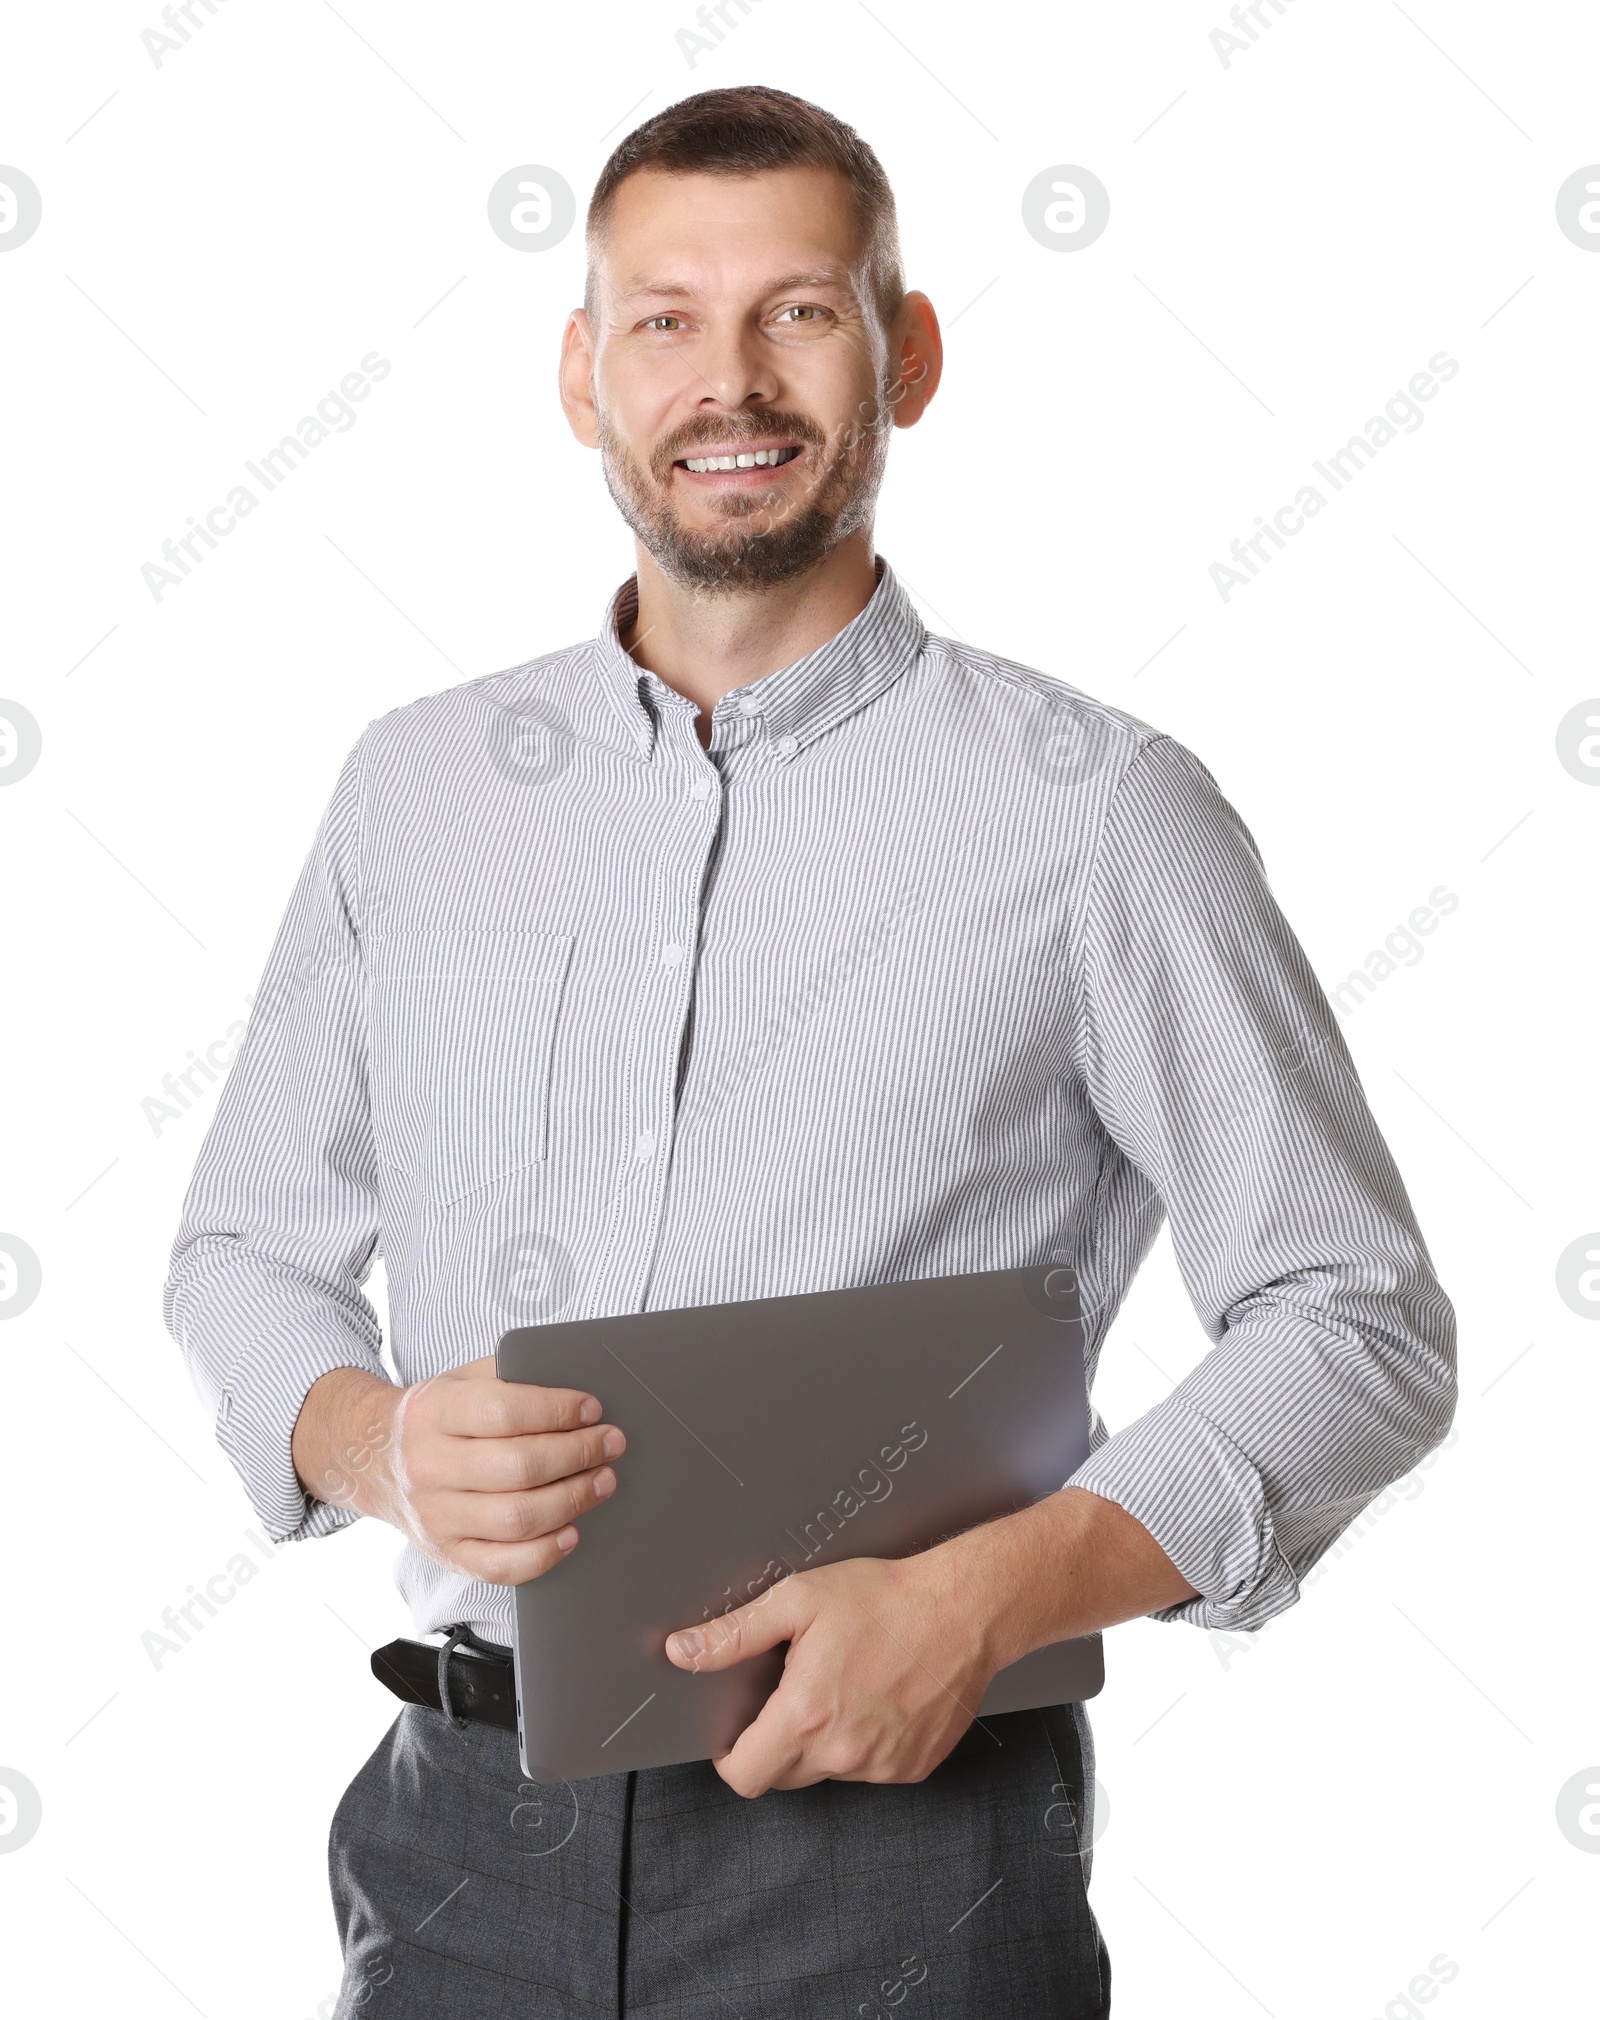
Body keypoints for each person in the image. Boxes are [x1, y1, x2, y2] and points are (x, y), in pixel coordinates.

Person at [163, 83, 1457, 2019]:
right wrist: (379, 1444)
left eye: (799, 309)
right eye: (664, 318)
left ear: (904, 352)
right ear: (582, 371)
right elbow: (240, 1252)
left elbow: (1351, 1316)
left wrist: (981, 1595)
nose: (728, 379)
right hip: (447, 1845)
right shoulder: (413, 790)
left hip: (896, 1857)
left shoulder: (1097, 814)